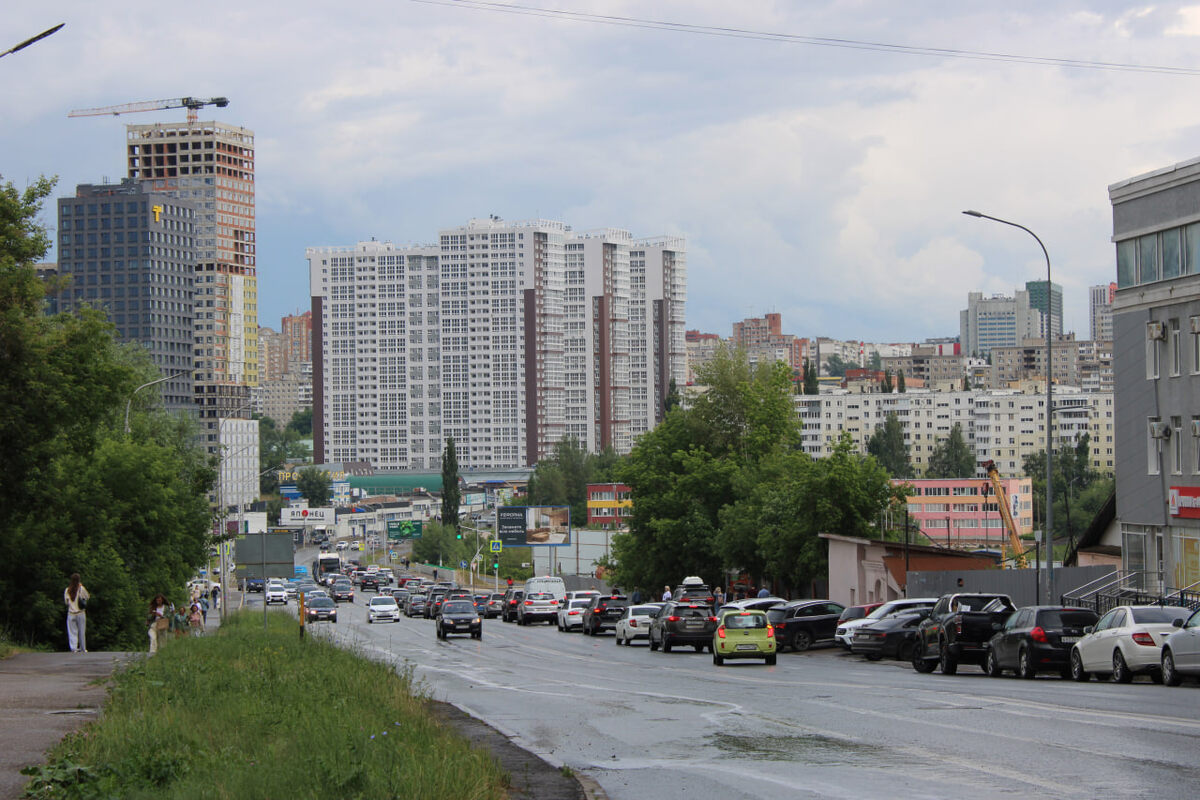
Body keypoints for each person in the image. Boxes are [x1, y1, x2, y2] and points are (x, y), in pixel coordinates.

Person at [63, 573, 90, 653]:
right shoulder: (81, 588)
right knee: (82, 631)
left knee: (72, 632)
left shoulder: (67, 590)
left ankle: (74, 648)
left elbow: (66, 602)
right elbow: (87, 597)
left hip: (71, 613)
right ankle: (83, 648)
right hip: (80, 613)